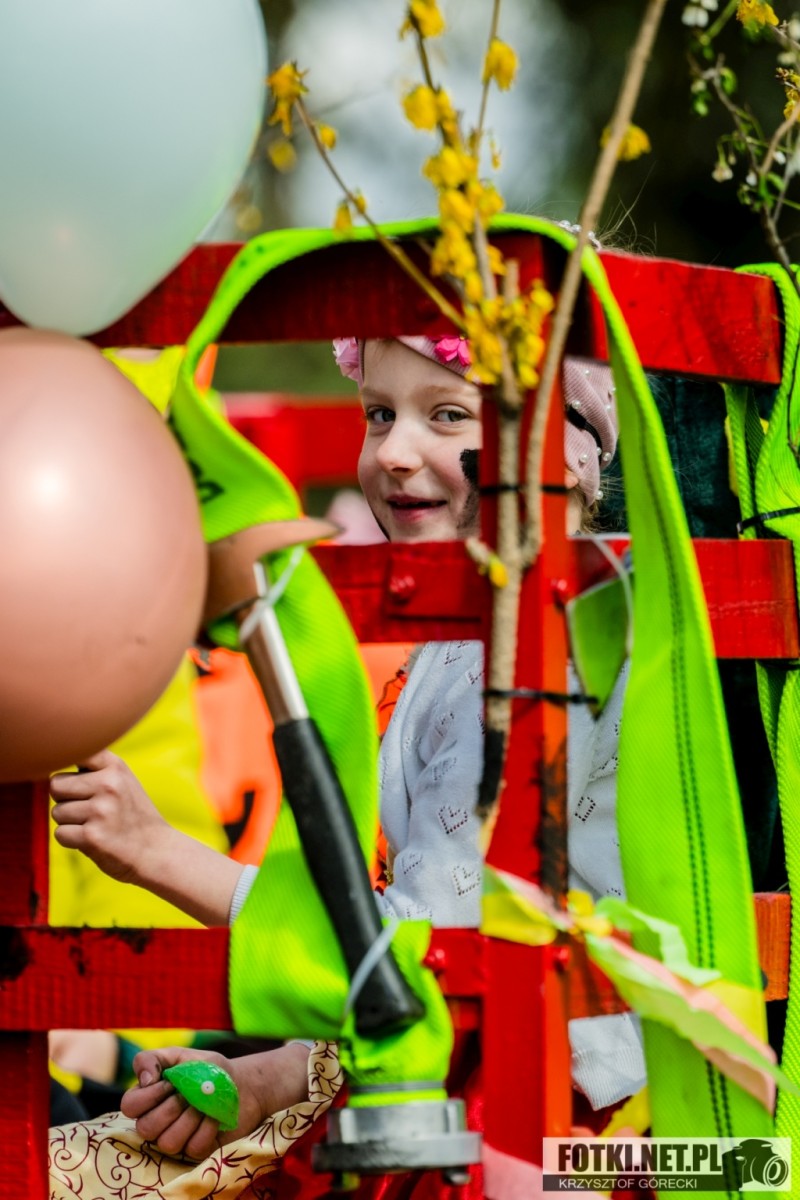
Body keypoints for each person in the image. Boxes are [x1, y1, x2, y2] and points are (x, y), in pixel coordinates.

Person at [48, 334, 639, 1188]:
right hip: (455, 1067)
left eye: (446, 415)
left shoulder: (539, 657)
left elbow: (417, 954)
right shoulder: (473, 626)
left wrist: (156, 851)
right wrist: (271, 1076)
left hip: (537, 1121)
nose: (393, 452)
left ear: (561, 450)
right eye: (379, 415)